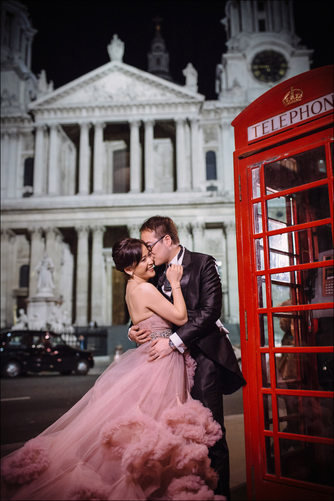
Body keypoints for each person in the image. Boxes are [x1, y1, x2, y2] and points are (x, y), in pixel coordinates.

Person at [1, 238, 225, 501]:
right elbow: (181, 318)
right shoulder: (146, 289)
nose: (150, 260)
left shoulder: (132, 287)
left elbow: (144, 321)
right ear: (129, 269)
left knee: (149, 432)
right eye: (143, 259)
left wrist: (133, 330)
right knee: (155, 432)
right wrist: (175, 283)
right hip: (161, 363)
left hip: (151, 356)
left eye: (148, 255)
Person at [129, 216, 246, 499]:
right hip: (168, 367)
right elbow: (147, 308)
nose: (147, 253)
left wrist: (173, 341)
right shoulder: (154, 272)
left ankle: (219, 495)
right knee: (175, 436)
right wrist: (134, 330)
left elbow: (210, 312)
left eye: (149, 245)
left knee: (210, 433)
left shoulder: (204, 263)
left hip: (204, 358)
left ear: (166, 240)